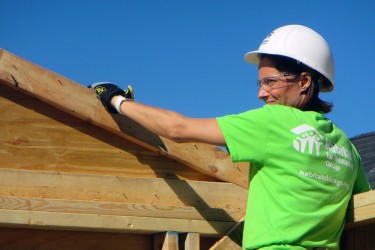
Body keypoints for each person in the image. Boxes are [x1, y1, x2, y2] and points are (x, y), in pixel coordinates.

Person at [90, 24, 371, 249]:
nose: (261, 93)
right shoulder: (346, 148)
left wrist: (116, 100)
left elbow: (178, 129)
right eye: (260, 83)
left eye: (270, 82)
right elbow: (363, 207)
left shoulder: (274, 121)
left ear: (305, 81)